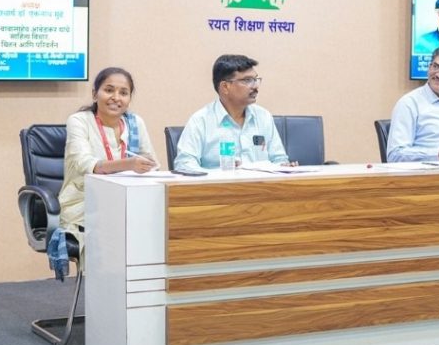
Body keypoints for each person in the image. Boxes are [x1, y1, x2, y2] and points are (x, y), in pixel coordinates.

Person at [58, 67, 157, 245]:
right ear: (95, 94)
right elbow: (85, 163)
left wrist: (146, 166)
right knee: (119, 230)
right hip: (85, 204)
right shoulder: (79, 121)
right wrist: (129, 164)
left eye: (123, 93)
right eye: (109, 90)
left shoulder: (135, 123)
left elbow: (152, 164)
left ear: (129, 99)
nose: (116, 97)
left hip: (127, 201)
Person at [173, 54, 289, 171]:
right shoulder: (201, 120)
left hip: (261, 183)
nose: (255, 86)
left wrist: (285, 167)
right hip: (220, 183)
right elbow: (184, 164)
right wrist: (221, 175)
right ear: (225, 87)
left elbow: (279, 159)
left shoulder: (263, 116)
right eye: (247, 80)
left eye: (255, 80)